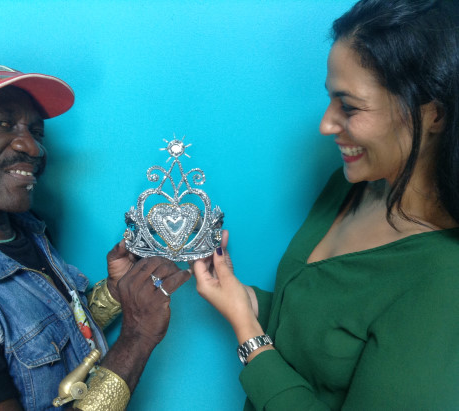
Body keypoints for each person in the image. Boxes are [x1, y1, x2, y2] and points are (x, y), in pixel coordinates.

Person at [193, 0, 459, 409]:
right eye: (330, 100)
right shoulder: (349, 185)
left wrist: (247, 332)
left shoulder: (444, 281)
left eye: (349, 106)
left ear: (433, 115)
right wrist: (243, 299)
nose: (326, 124)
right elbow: (327, 331)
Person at [0, 62, 191, 410]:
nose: (32, 147)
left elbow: (41, 332)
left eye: (36, 131)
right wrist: (138, 336)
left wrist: (116, 294)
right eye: (3, 123)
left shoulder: (27, 228)